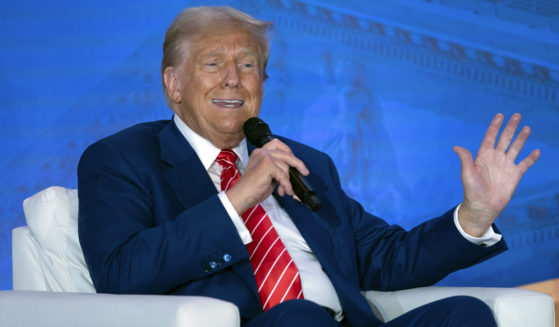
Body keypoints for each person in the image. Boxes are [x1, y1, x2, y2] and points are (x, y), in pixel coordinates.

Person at [77, 6, 540, 327]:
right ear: (173, 83)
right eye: (213, 63)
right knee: (299, 317)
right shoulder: (121, 160)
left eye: (249, 65)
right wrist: (239, 197)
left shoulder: (303, 161)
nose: (233, 79)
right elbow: (121, 273)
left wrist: (475, 215)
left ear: (263, 82)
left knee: (465, 315)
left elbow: (383, 258)